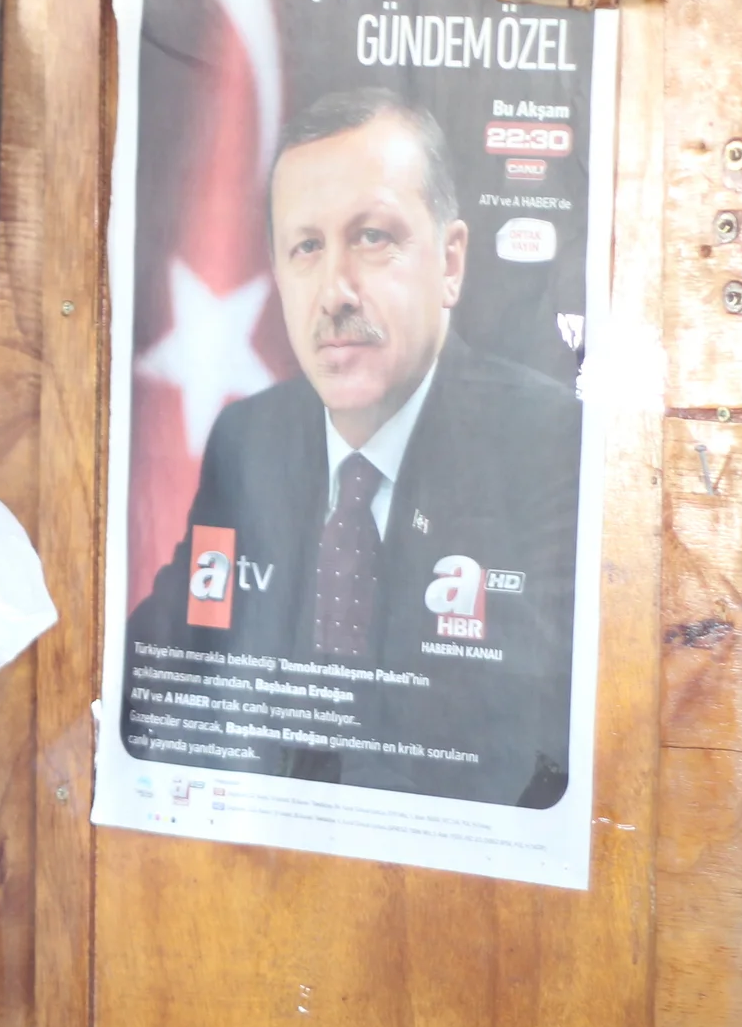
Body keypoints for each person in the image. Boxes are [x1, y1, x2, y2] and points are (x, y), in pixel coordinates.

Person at [126, 87, 580, 807]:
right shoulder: (249, 440)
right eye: (306, 247)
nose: (334, 290)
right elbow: (156, 676)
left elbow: (523, 743)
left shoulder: (550, 443)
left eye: (372, 237)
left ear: (451, 261)